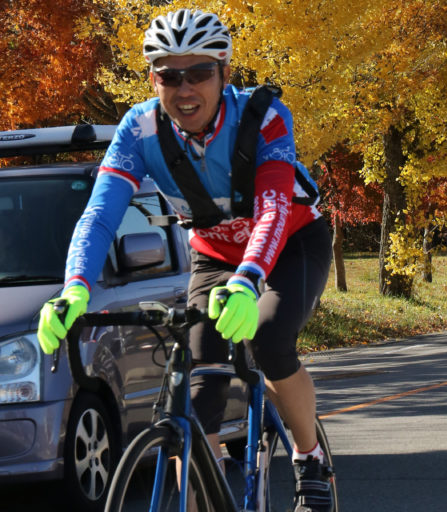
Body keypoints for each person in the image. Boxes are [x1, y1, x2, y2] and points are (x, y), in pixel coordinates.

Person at [35, 9, 333, 512]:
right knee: (196, 404)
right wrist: (75, 287)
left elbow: (275, 209)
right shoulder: (139, 130)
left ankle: (310, 460)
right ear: (154, 79)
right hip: (214, 257)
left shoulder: (265, 117)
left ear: (225, 73)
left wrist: (249, 279)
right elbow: (99, 215)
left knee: (271, 339)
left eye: (198, 72)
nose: (184, 88)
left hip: (290, 243)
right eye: (169, 76)